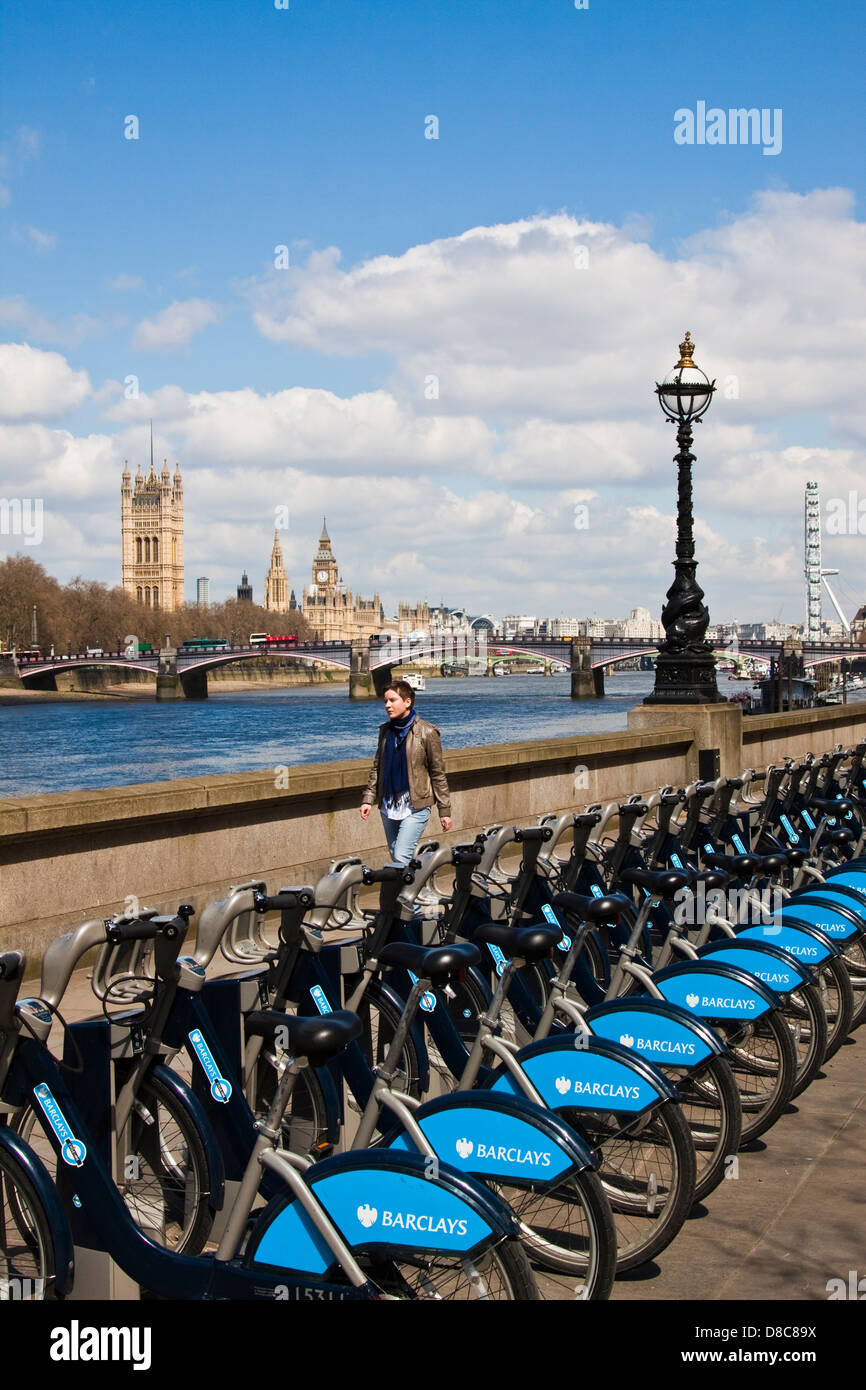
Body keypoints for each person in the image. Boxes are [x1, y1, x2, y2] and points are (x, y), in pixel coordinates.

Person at [359, 680, 452, 866]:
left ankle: (410, 895)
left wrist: (444, 810)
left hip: (416, 805)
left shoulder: (427, 732)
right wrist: (368, 798)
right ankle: (421, 889)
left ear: (407, 702)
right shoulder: (385, 731)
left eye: (392, 700)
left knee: (401, 855)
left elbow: (438, 773)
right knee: (397, 857)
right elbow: (378, 766)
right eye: (385, 701)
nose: (387, 705)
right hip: (388, 804)